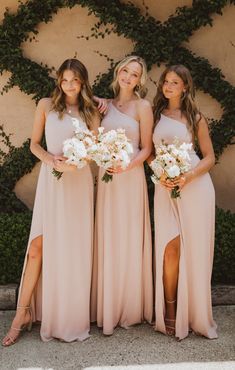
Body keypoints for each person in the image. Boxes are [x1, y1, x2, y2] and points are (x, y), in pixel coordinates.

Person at [2, 58, 100, 345]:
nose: (68, 85)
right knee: (37, 248)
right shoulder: (46, 105)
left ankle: (68, 316)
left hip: (78, 184)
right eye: (64, 79)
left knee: (72, 250)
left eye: (75, 80)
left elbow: (94, 151)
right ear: (59, 80)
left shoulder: (91, 111)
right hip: (52, 182)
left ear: (83, 82)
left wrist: (79, 160)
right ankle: (21, 315)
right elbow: (34, 144)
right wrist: (50, 159)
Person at [151, 64, 217, 340]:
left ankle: (195, 314)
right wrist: (160, 171)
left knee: (195, 253)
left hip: (194, 187)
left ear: (185, 87)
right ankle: (169, 309)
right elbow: (147, 152)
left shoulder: (195, 117)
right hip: (164, 187)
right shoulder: (153, 114)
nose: (168, 86)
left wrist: (187, 176)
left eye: (174, 82)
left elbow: (210, 157)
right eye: (166, 81)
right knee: (170, 249)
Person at [91, 55, 153, 335]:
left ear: (140, 80)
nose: (129, 77)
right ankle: (107, 306)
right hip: (107, 179)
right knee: (109, 236)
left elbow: (147, 148)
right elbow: (75, 94)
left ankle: (130, 306)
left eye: (135, 74)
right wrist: (95, 97)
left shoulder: (143, 106)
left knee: (128, 236)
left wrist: (128, 165)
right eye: (126, 71)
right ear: (118, 72)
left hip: (130, 176)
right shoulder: (104, 105)